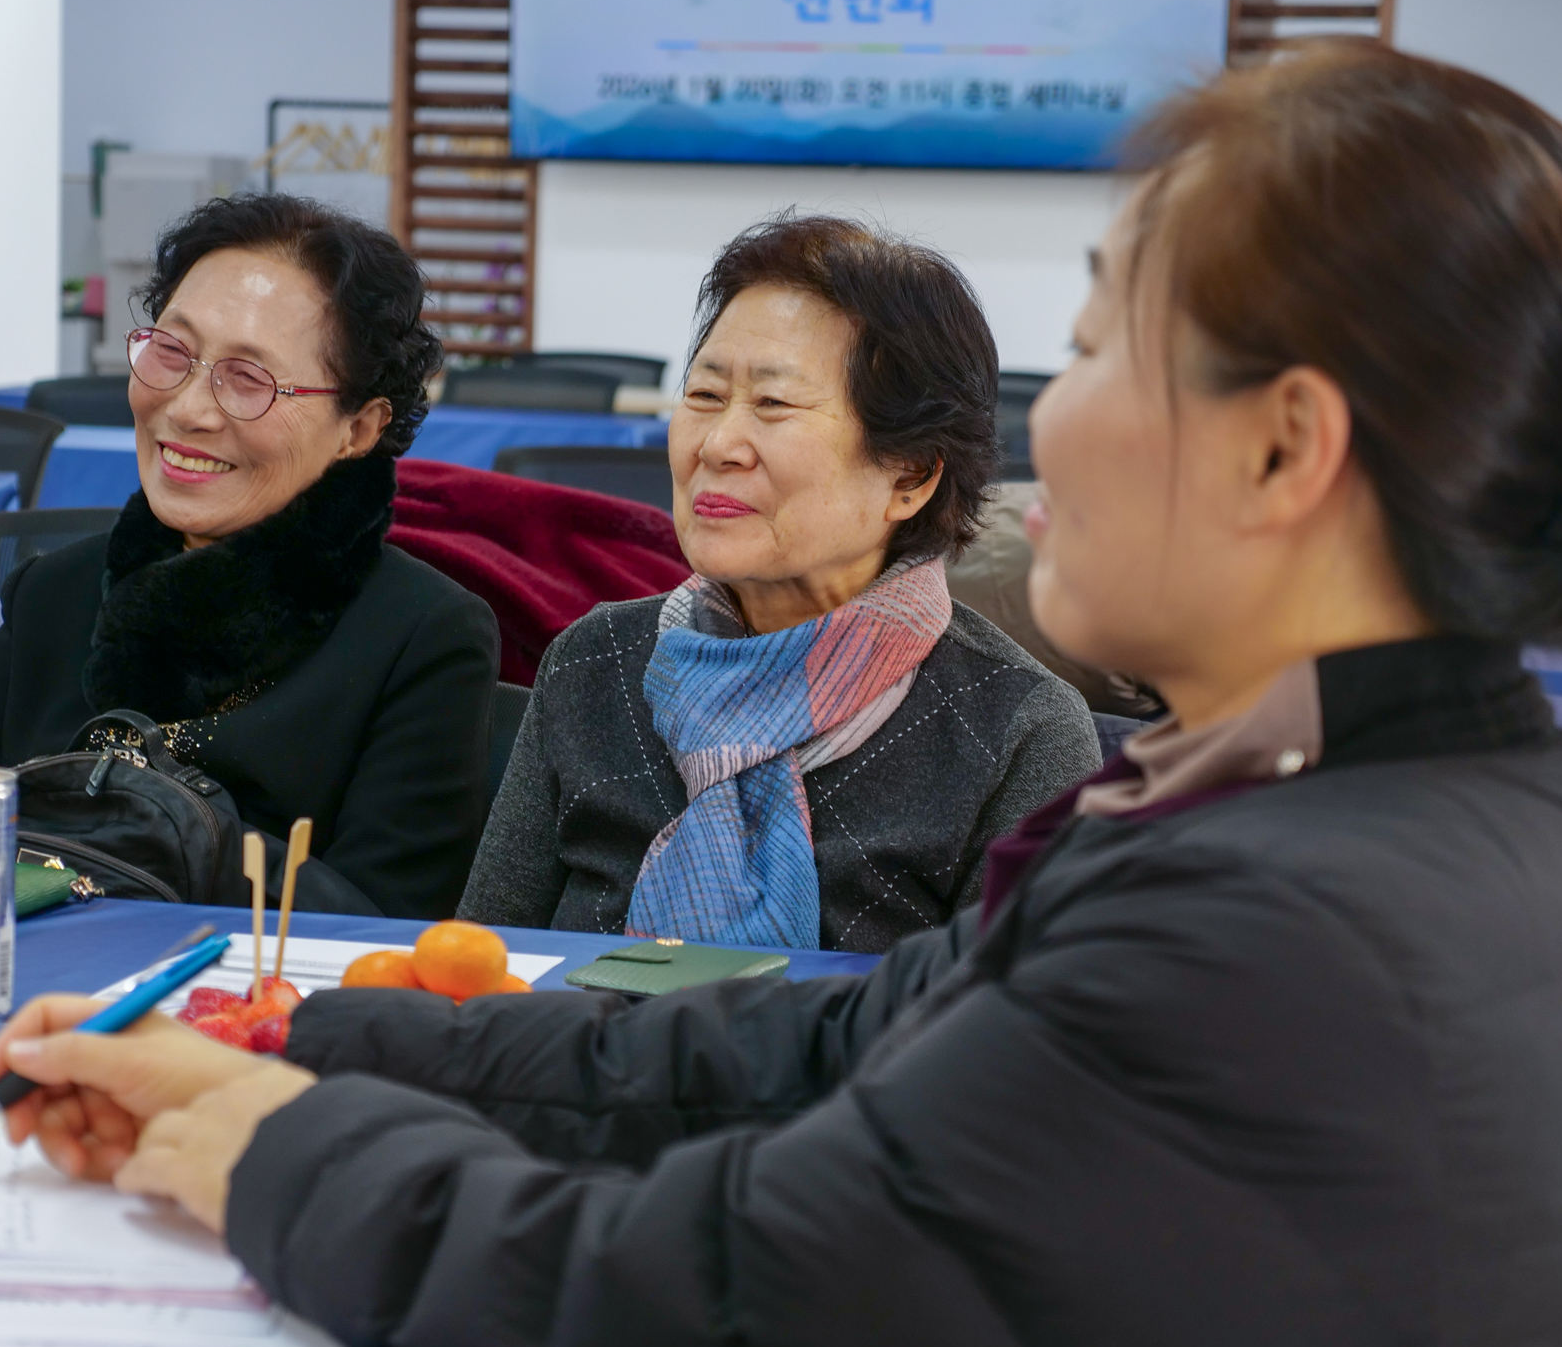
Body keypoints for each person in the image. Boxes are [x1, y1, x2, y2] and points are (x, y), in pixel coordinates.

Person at [0, 45, 1562, 1347]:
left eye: (1093, 355)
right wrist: (306, 1040)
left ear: (1283, 448)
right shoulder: (1456, 810)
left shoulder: (1278, 926)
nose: (1041, 434)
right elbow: (833, 1035)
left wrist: (275, 1152)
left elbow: (740, 1329)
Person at [0, 195, 498, 918]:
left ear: (359, 428)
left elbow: (386, 936)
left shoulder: (421, 634)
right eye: (172, 353)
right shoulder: (56, 592)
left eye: (249, 379)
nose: (186, 409)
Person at [460, 215, 1100, 953]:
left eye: (773, 404)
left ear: (911, 476)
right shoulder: (596, 661)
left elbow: (1010, 1015)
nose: (717, 445)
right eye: (705, 395)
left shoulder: (1015, 729)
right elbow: (477, 965)